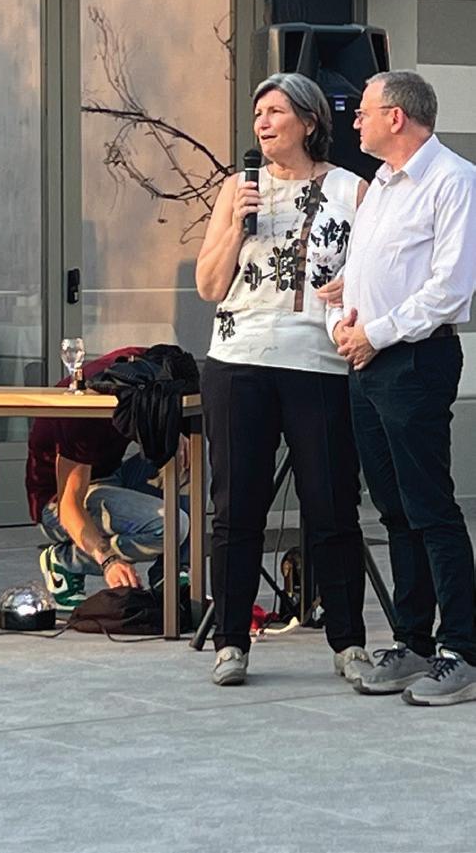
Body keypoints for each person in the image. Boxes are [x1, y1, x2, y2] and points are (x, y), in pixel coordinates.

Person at [196, 72, 369, 687]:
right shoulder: (236, 189)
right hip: (238, 359)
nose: (263, 123)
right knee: (236, 508)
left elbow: (375, 272)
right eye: (258, 113)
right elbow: (209, 285)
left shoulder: (351, 189)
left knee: (331, 505)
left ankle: (349, 643)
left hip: (316, 362)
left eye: (275, 111)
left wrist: (356, 287)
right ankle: (231, 642)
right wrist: (235, 227)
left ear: (309, 121)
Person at [331, 70, 476, 706]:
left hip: (415, 361)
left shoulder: (453, 180)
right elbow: (362, 273)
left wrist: (377, 332)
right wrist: (345, 320)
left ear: (396, 116)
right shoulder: (381, 186)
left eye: (363, 111)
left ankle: (462, 649)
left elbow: (450, 286)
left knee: (430, 507)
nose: (354, 121)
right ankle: (413, 641)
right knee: (392, 509)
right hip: (366, 362)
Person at [29, 347, 195, 610]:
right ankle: (66, 560)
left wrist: (176, 429)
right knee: (172, 525)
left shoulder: (142, 363)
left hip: (111, 476)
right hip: (59, 504)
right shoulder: (85, 411)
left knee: (191, 454)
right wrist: (107, 560)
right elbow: (69, 505)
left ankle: (171, 572)